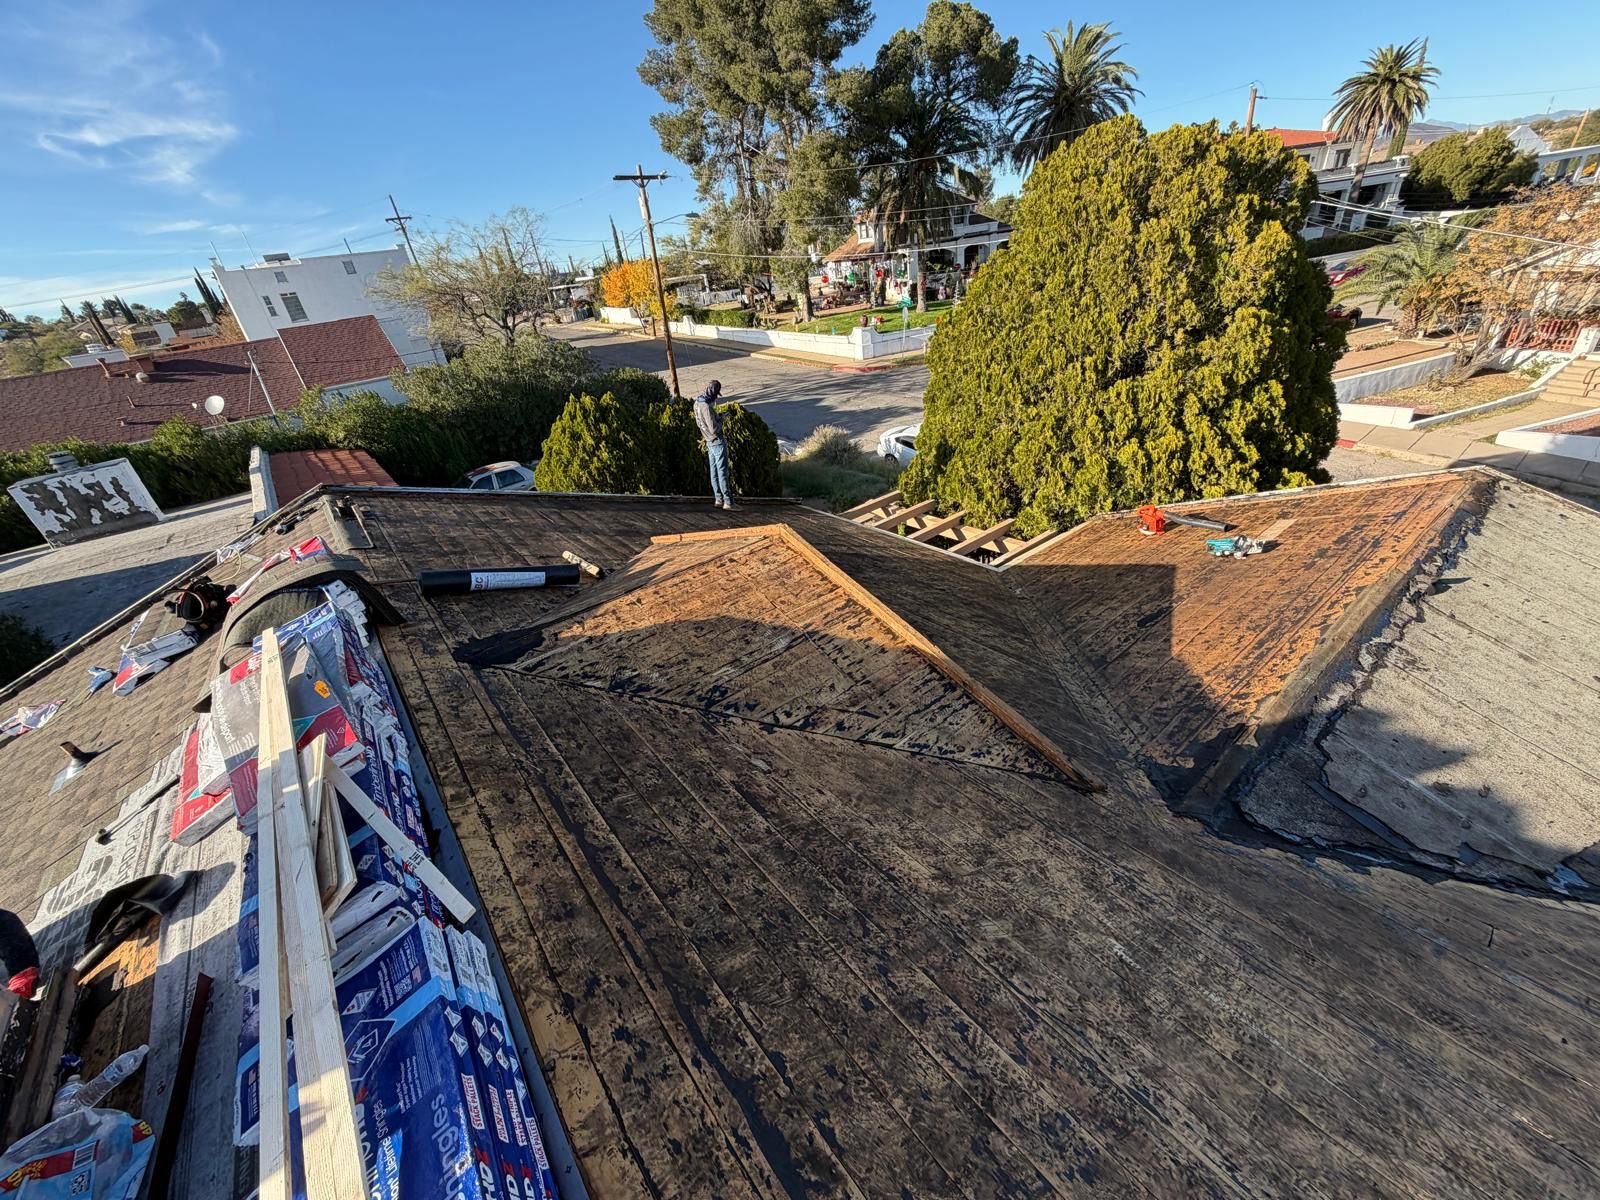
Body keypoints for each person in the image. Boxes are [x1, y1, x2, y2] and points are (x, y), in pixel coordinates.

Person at [693, 380, 734, 510]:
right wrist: (723, 418)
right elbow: (714, 429)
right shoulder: (705, 406)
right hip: (716, 440)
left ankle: (718, 499)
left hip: (708, 441)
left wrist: (718, 416)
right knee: (722, 472)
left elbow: (703, 423)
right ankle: (728, 502)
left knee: (714, 472)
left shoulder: (697, 403)